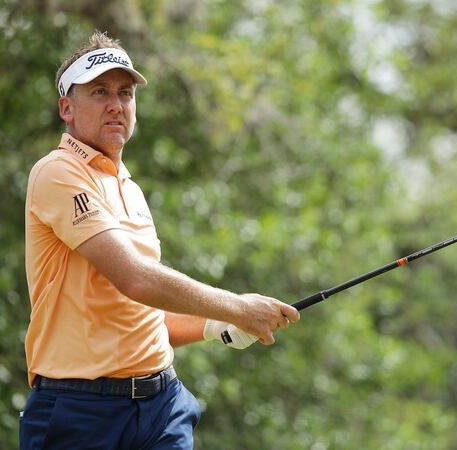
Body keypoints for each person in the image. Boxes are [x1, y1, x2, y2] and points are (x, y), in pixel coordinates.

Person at [19, 31, 300, 450]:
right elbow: (136, 279)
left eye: (125, 93)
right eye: (99, 92)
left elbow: (140, 313)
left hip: (161, 407)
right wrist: (238, 307)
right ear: (67, 108)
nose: (116, 104)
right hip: (79, 411)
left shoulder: (129, 188)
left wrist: (216, 325)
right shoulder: (57, 172)